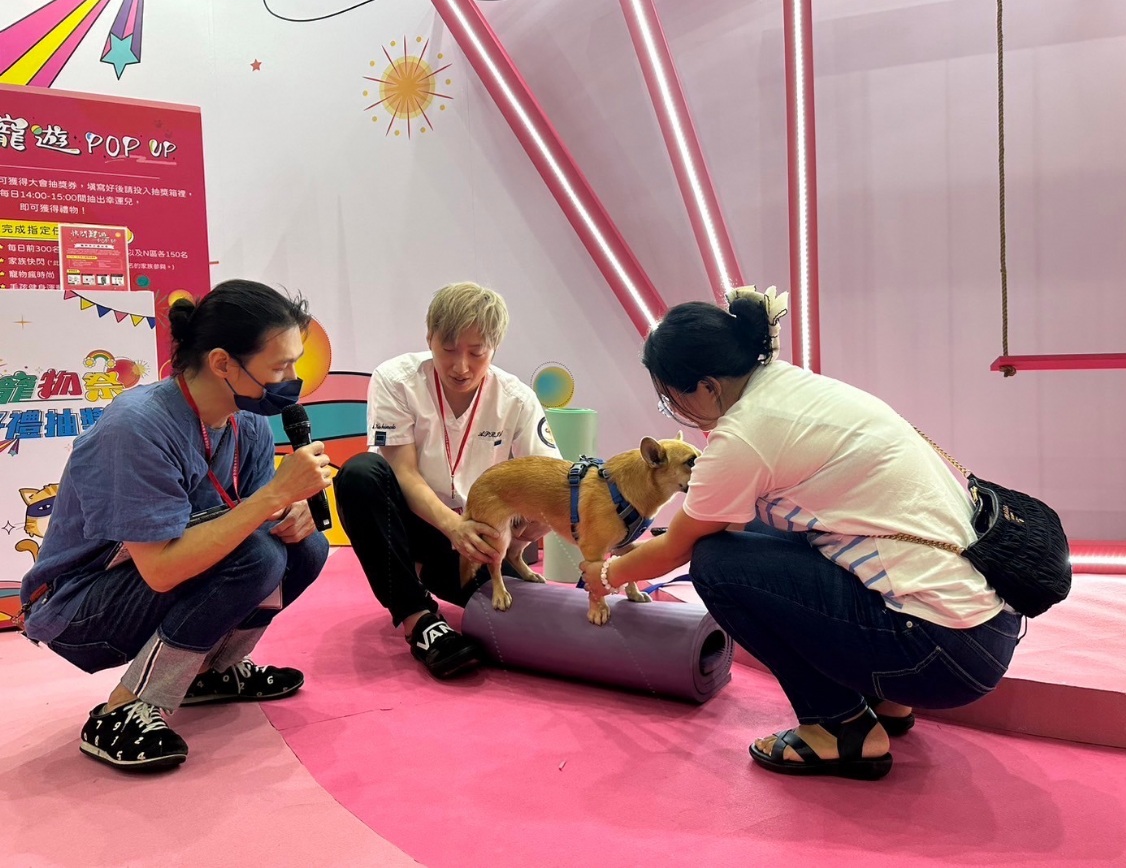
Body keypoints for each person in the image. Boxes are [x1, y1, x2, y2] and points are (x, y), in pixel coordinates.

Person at [582, 286, 1022, 781]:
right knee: (762, 534)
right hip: (985, 631)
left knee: (716, 565)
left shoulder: (743, 435)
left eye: (672, 399)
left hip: (937, 656)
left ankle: (839, 726)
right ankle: (886, 700)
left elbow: (674, 547)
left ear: (706, 386)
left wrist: (605, 573)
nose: (676, 409)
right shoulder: (792, 385)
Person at [17, 280, 333, 771]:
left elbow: (254, 518)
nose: (292, 381)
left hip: (148, 582)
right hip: (78, 606)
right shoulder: (138, 426)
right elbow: (161, 571)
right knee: (257, 555)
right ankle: (123, 709)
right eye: (280, 367)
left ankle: (212, 671)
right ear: (223, 363)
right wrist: (273, 496)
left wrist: (292, 512)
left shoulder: (245, 420)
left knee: (303, 548)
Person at [334, 282, 560, 679]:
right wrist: (454, 527)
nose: (461, 367)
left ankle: (427, 571)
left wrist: (531, 527)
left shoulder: (516, 398)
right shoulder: (395, 379)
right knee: (360, 474)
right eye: (449, 349)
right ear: (429, 338)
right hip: (415, 520)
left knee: (529, 623)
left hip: (479, 538)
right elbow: (402, 471)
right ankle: (418, 618)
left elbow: (549, 479)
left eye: (477, 353)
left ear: (495, 347)